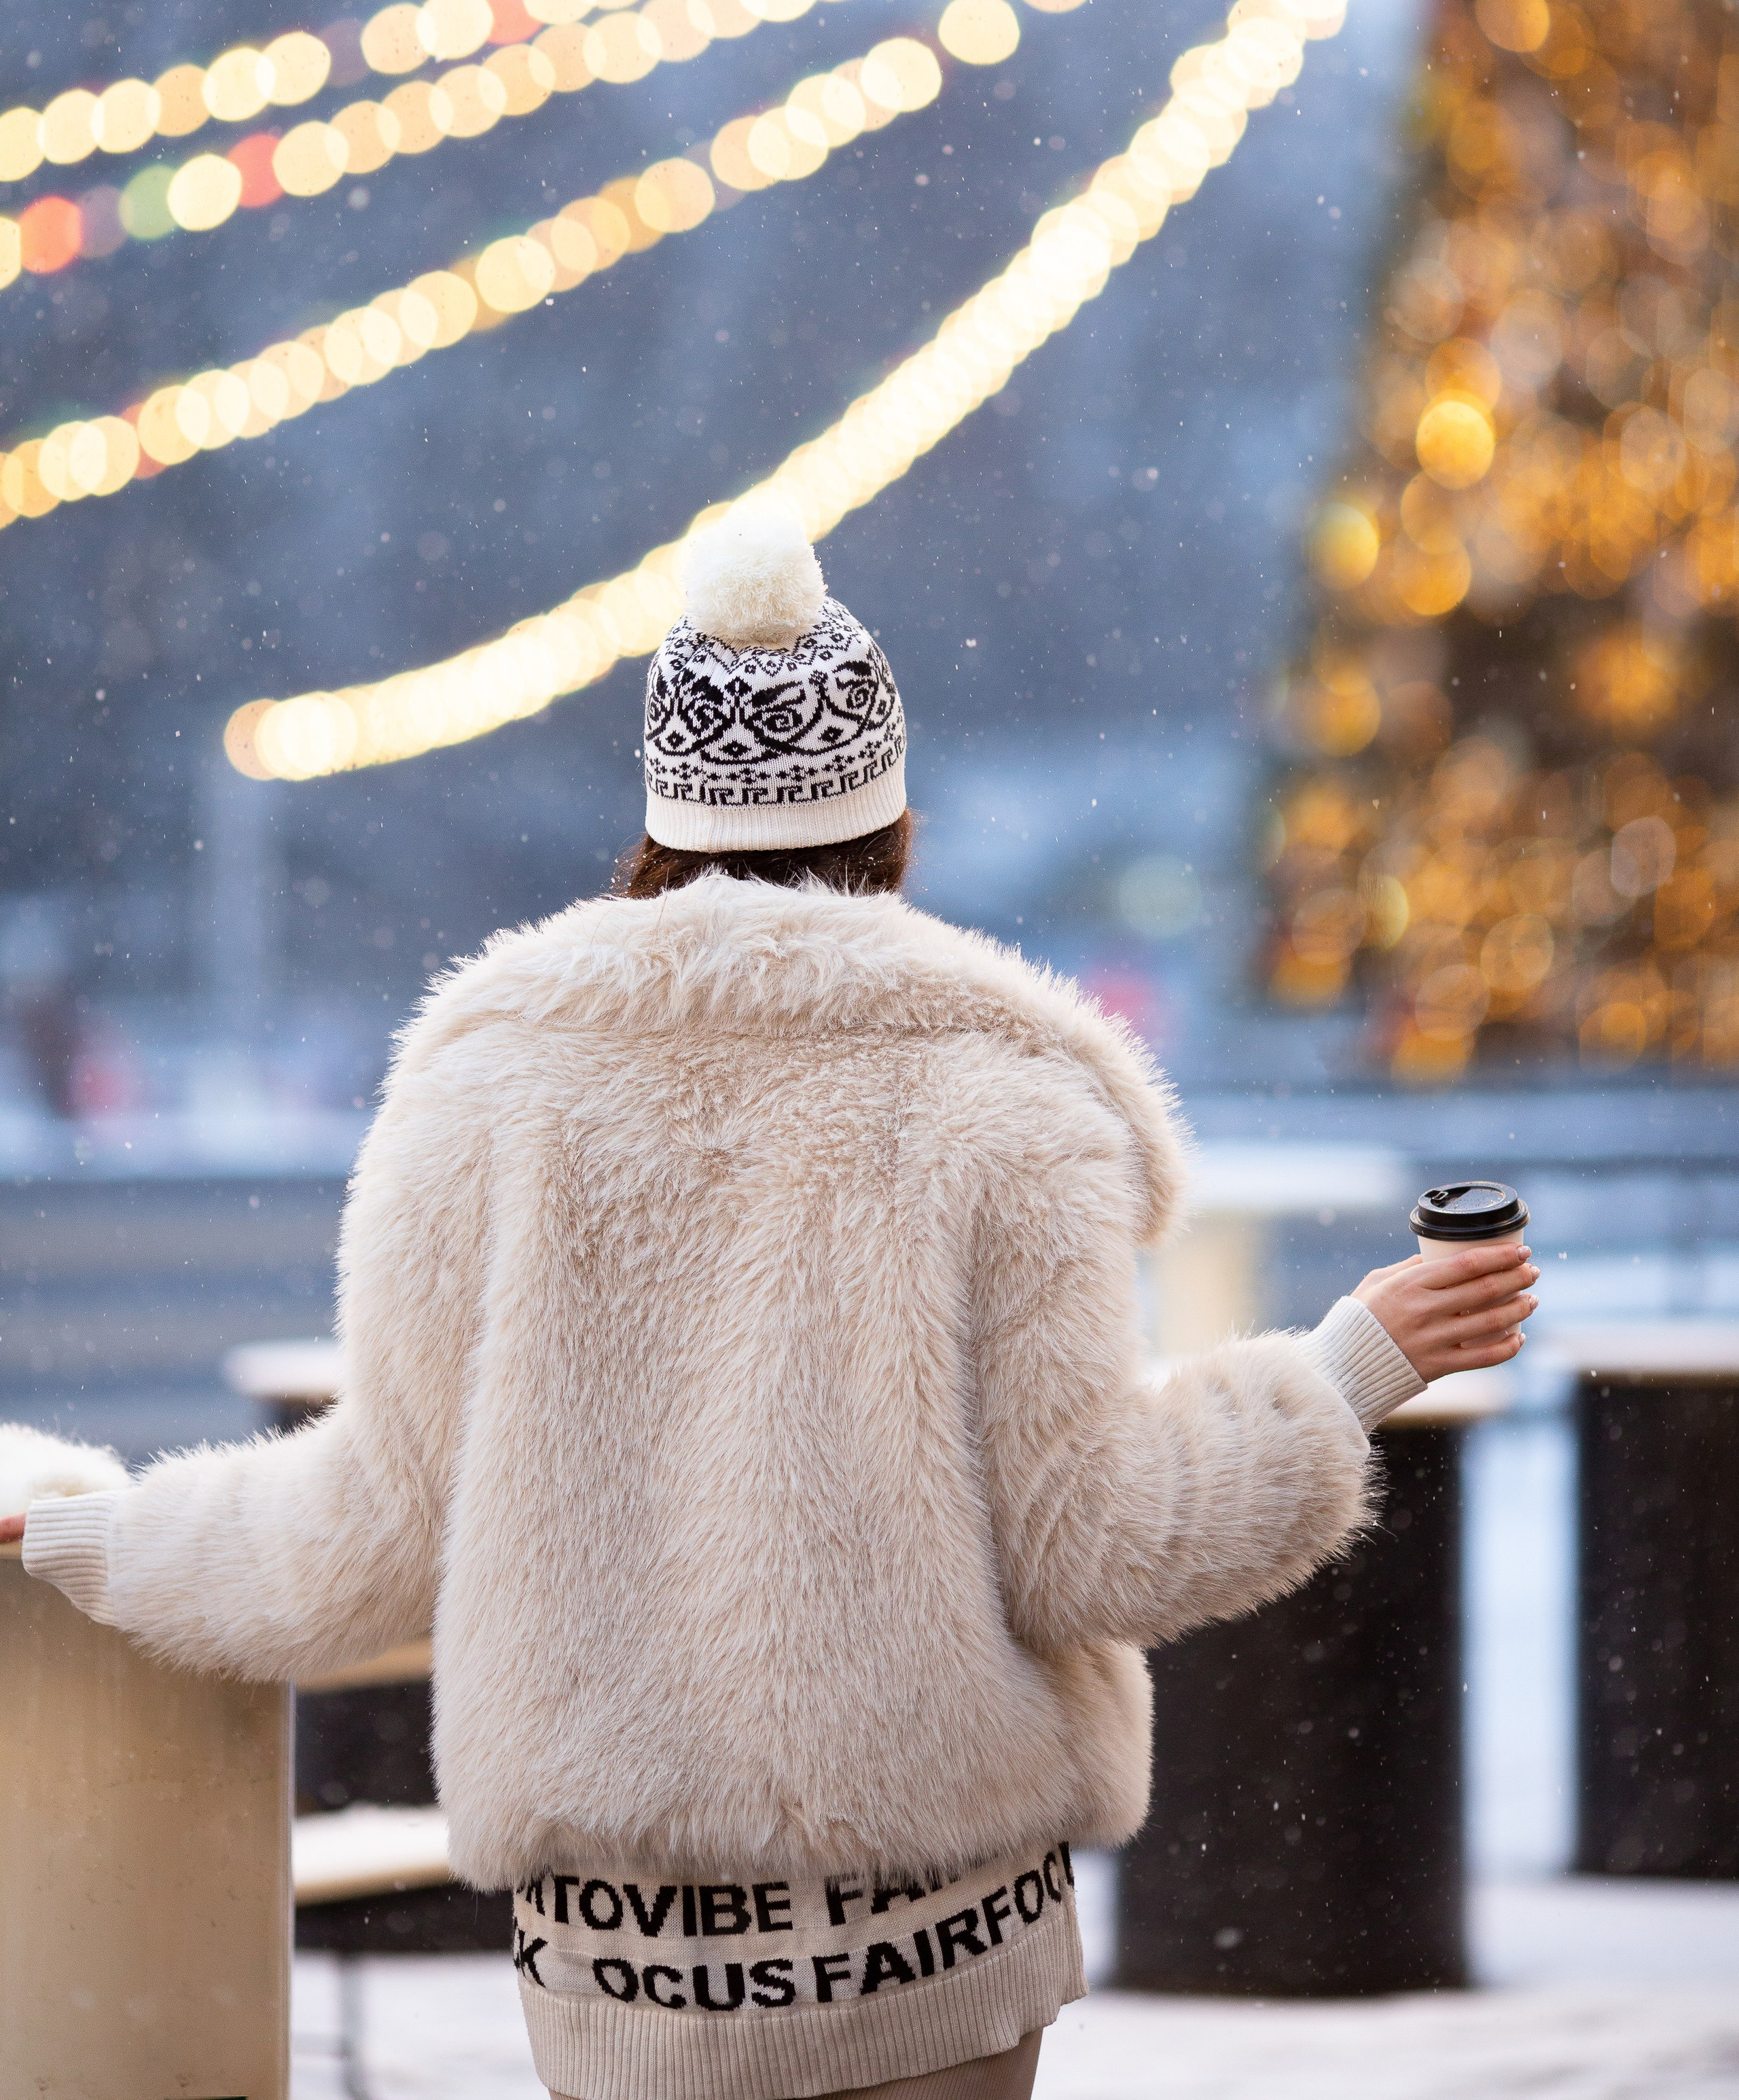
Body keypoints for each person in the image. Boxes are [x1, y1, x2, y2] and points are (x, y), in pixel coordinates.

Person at [7, 505, 1537, 2100]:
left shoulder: (484, 1103)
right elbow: (1104, 1530)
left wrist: (97, 1536)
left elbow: (370, 1524)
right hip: (935, 1948)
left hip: (621, 1965)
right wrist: (1359, 1360)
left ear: (658, 823)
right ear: (893, 826)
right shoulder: (1001, 1111)